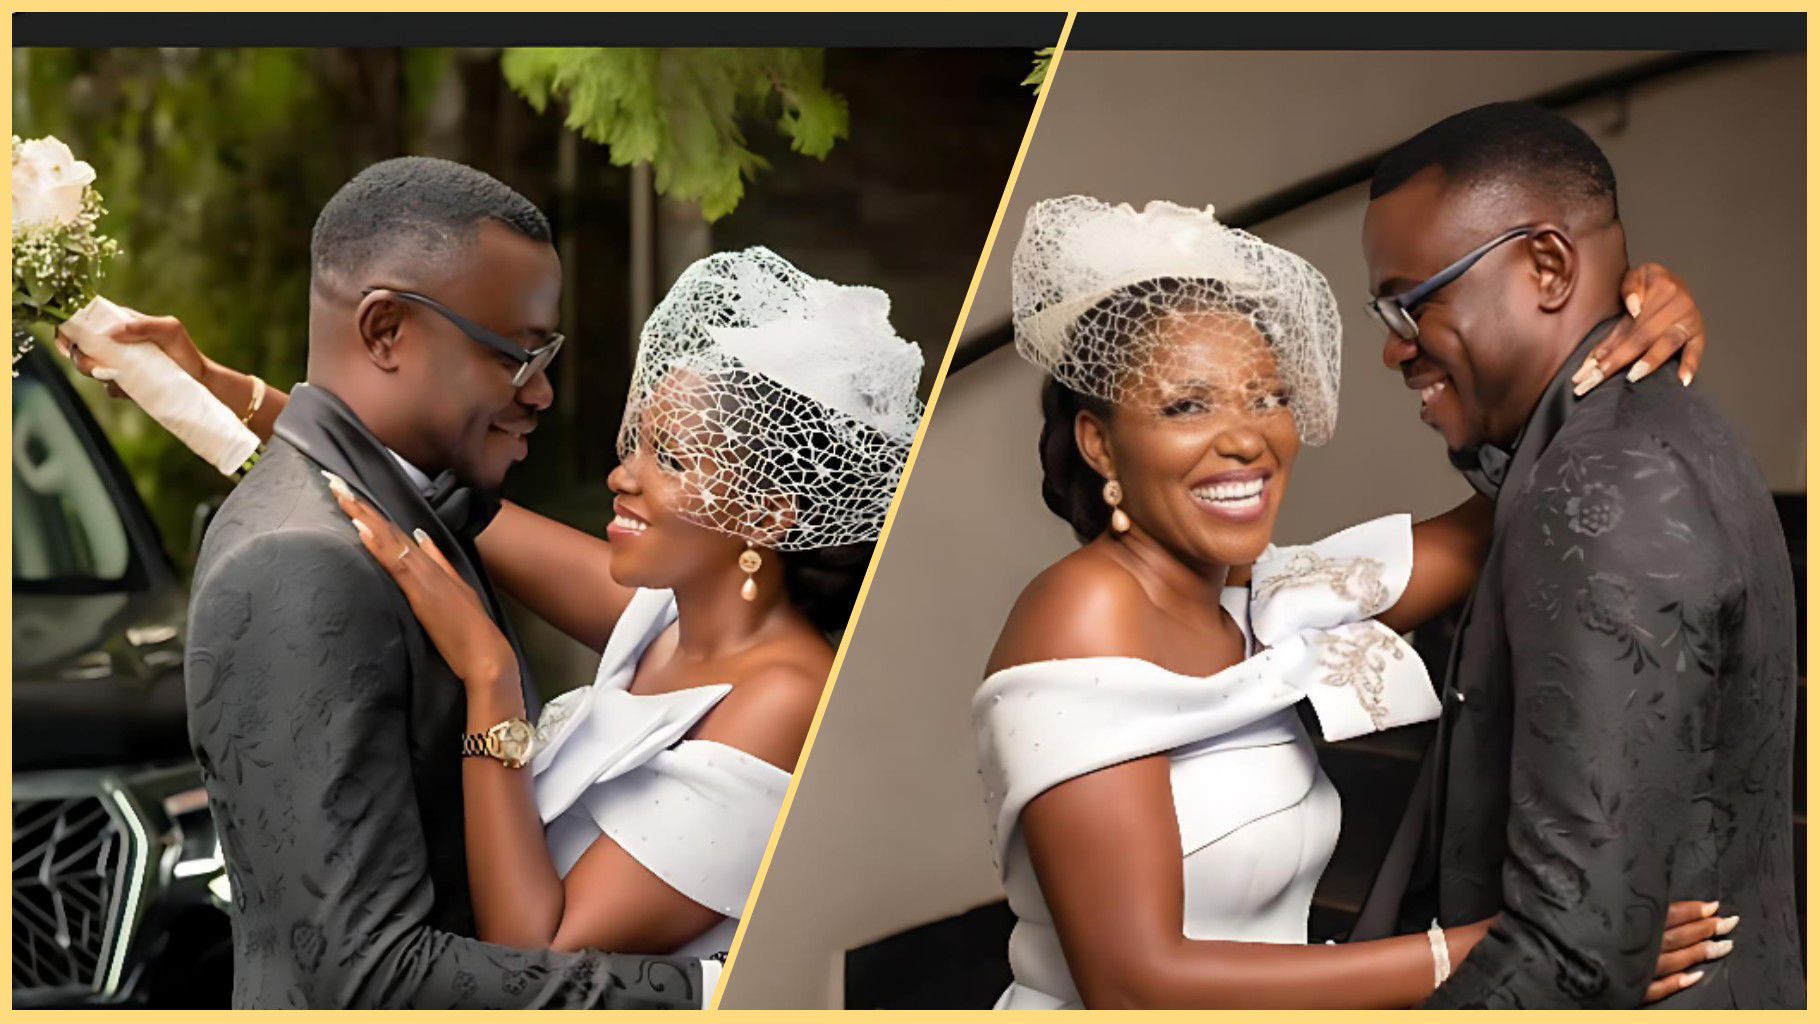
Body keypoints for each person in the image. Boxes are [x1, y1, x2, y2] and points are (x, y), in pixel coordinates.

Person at [65, 160, 919, 1006]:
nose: (623, 476)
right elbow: (405, 498)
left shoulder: (782, 700)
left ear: (767, 517)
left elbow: (533, 948)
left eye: (674, 459)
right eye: (638, 442)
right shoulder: (664, 618)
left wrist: (491, 687)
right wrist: (217, 393)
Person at [972, 194, 1726, 1010]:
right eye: (1188, 405)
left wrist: (1629, 317)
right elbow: (1134, 981)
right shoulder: (1084, 616)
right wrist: (1513, 950)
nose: (1246, 437)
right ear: (1097, 440)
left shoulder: (1265, 601)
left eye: (1267, 396)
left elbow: (1511, 513)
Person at [1351, 101, 1801, 1009]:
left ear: (1547, 265)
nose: (1393, 346)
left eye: (1413, 299)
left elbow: (1574, 957)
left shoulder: (1604, 488)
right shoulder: (1621, 438)